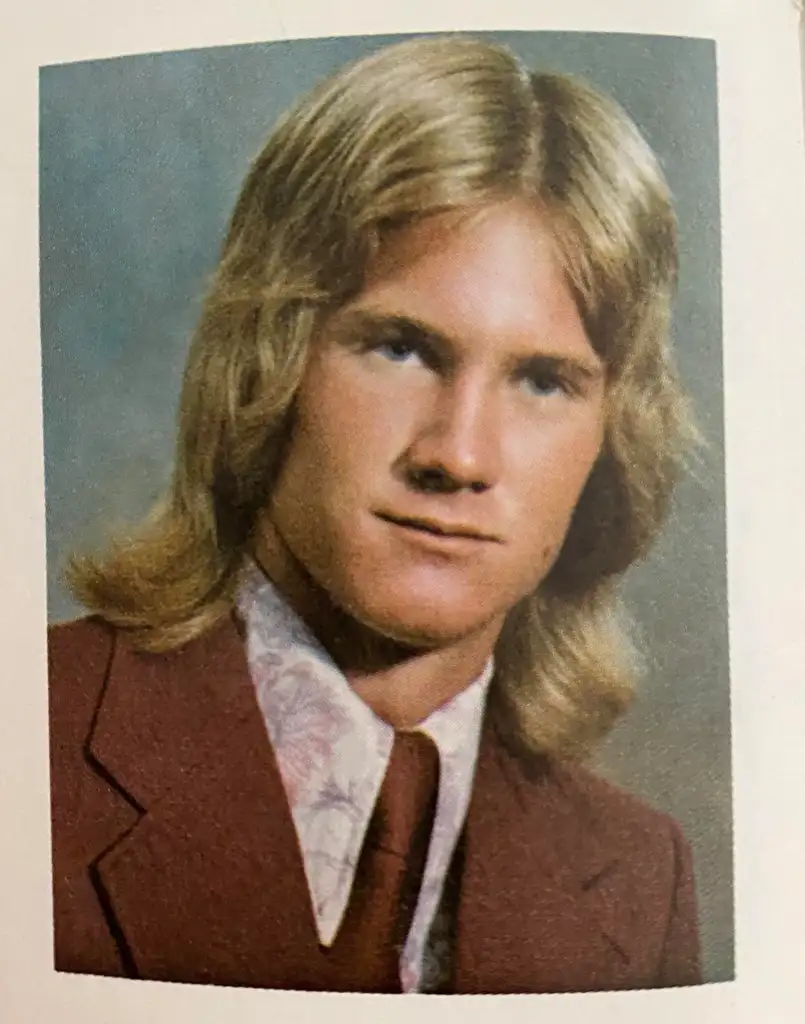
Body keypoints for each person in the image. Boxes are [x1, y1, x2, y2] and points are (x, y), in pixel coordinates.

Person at [48, 35, 702, 994]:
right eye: (400, 348)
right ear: (265, 356)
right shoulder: (36, 738)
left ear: (612, 432)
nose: (458, 455)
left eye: (542, 380)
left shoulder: (639, 876)